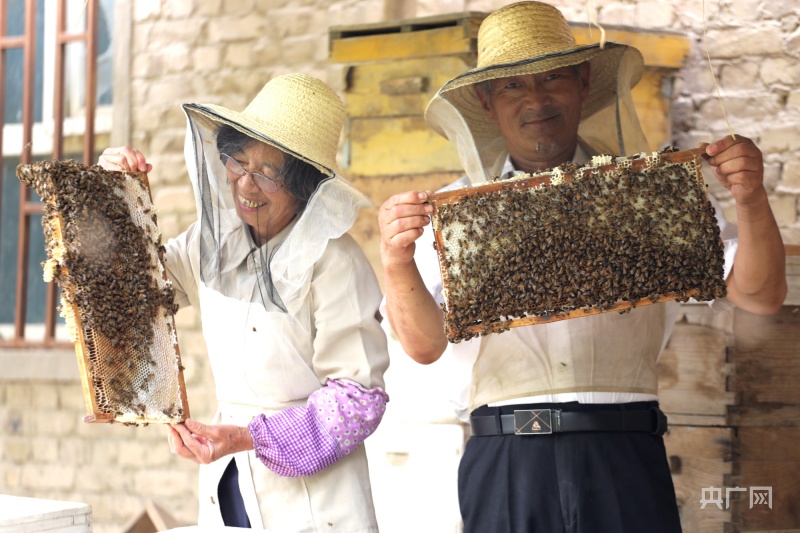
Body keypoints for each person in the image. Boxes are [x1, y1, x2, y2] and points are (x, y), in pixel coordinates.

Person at [377, 2, 786, 532]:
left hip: (625, 454)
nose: (537, 100)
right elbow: (423, 345)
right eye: (513, 87)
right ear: (486, 100)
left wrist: (751, 197)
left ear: (583, 81)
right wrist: (395, 257)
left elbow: (760, 295)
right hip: (507, 461)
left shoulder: (645, 196)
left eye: (553, 79)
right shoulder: (453, 215)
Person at [99, 73, 390, 531]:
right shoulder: (210, 244)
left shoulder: (336, 261)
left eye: (269, 173)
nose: (246, 186)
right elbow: (135, 295)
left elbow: (357, 402)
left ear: (305, 183)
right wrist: (116, 196)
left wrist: (245, 437)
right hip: (228, 482)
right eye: (238, 163)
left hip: (314, 503)